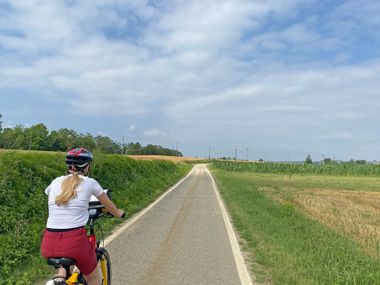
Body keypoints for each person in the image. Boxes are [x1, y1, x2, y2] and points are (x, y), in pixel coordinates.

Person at [41, 148, 125, 285]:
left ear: (69, 166)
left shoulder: (56, 182)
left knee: (64, 258)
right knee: (93, 280)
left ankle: (59, 279)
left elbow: (51, 197)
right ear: (86, 166)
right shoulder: (90, 182)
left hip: (49, 242)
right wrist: (119, 213)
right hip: (74, 242)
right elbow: (110, 207)